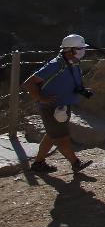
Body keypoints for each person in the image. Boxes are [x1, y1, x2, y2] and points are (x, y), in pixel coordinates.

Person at [24, 34, 94, 174]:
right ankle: (75, 163)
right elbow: (29, 83)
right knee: (62, 138)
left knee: (52, 134)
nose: (82, 51)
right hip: (52, 108)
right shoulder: (56, 65)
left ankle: (38, 163)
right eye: (79, 48)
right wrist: (41, 98)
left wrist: (83, 92)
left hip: (62, 107)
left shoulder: (73, 63)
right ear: (69, 50)